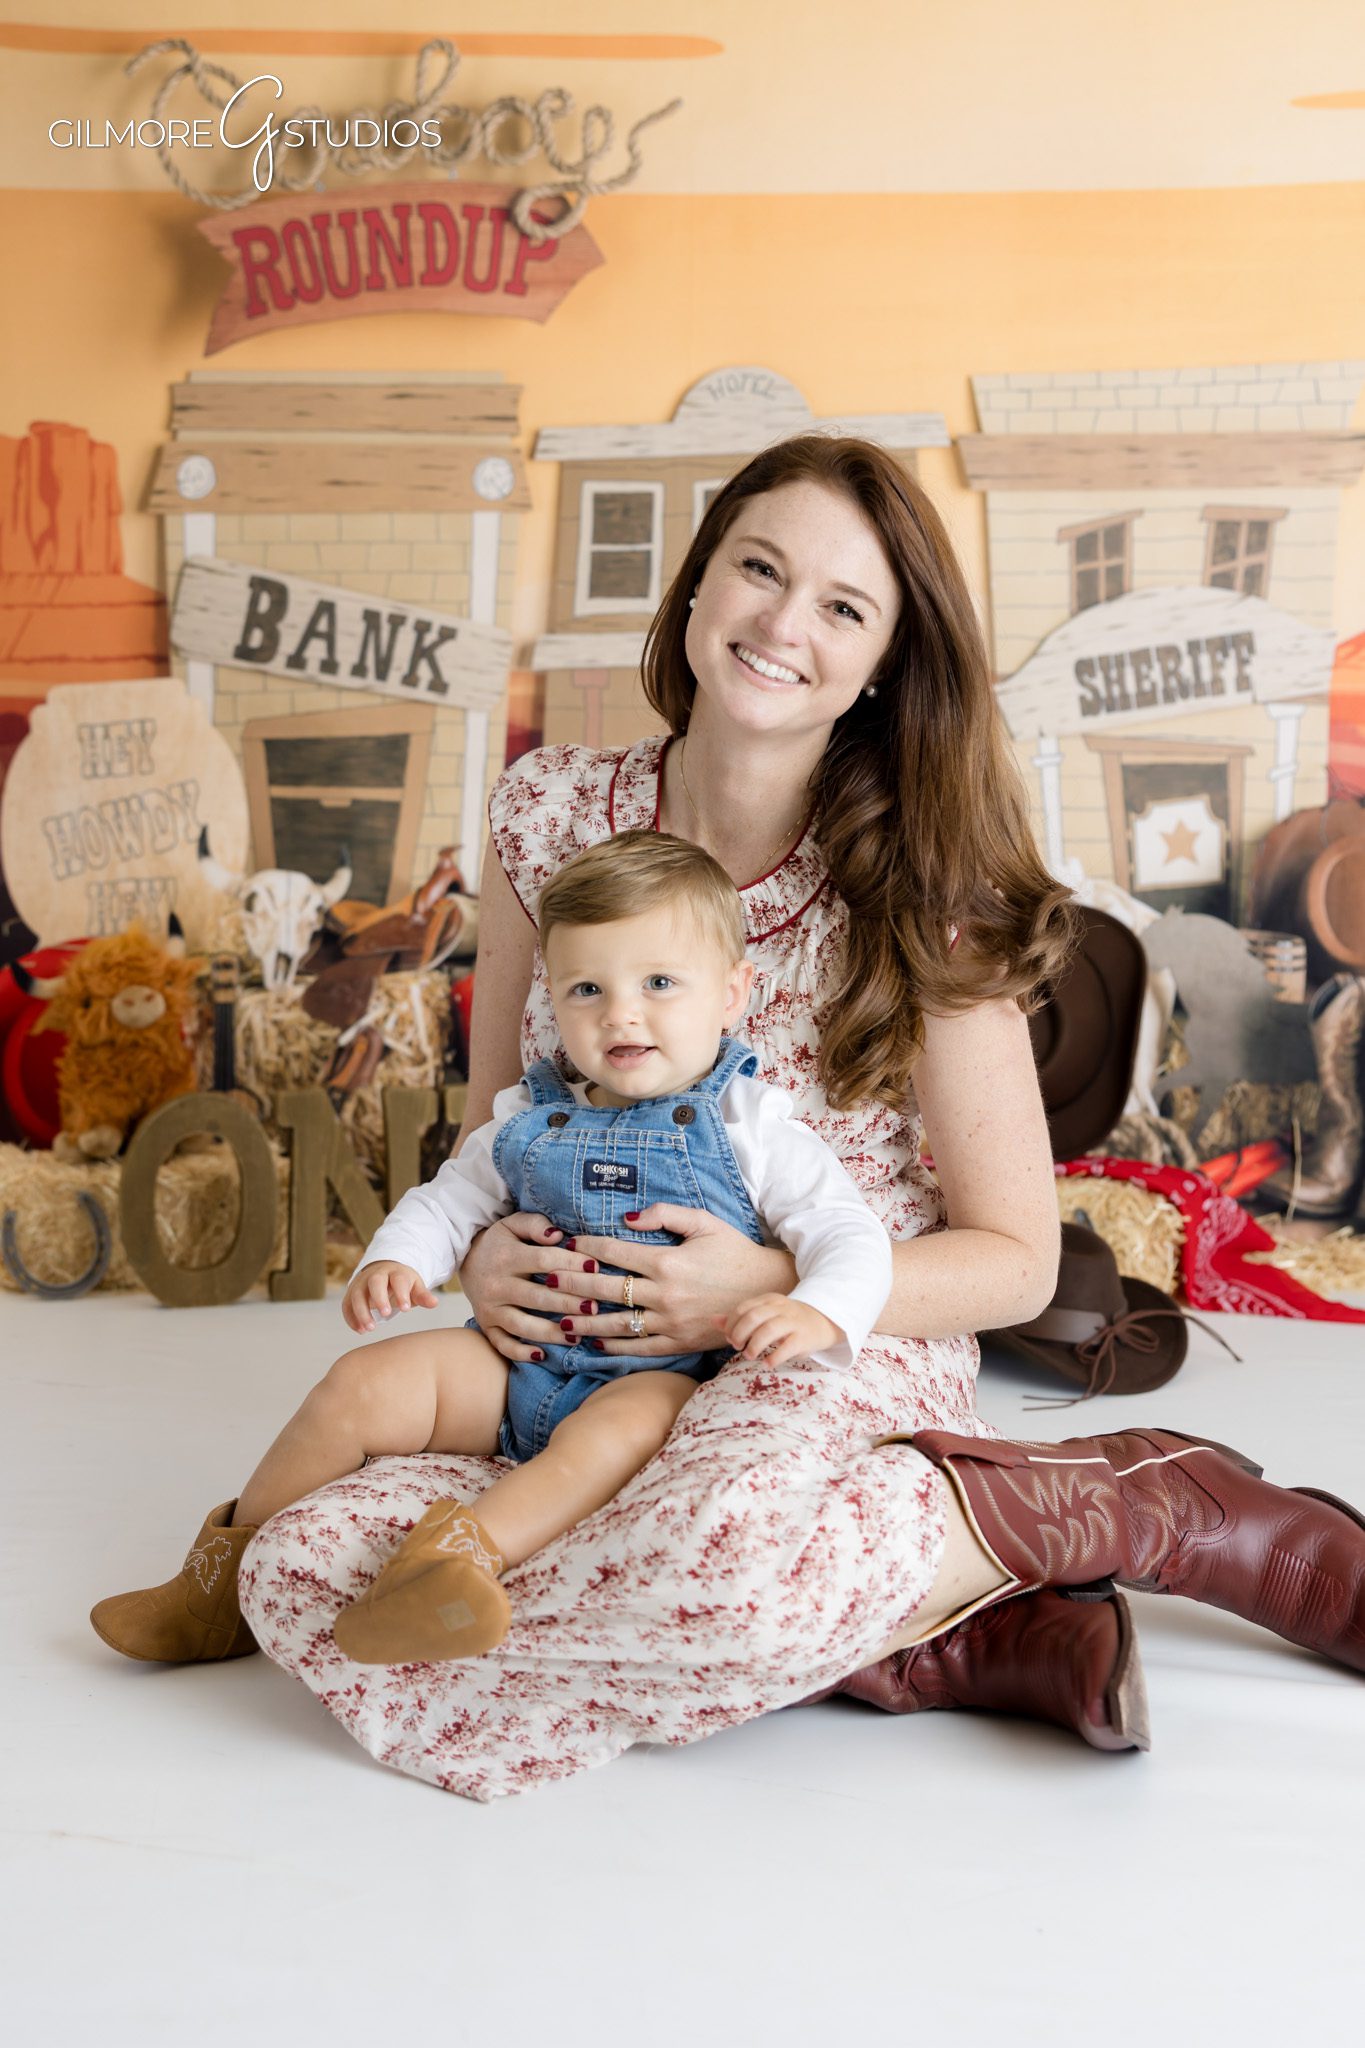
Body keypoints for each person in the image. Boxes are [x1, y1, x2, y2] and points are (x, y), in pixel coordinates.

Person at [227, 433, 1362, 1801]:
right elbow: (492, 1125)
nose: (781, 624)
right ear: (700, 581)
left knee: (720, 1566)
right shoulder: (548, 813)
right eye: (759, 569)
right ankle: (939, 1633)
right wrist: (480, 1253)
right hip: (580, 1361)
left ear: (882, 659)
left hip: (832, 1340)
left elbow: (1013, 1259)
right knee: (293, 1569)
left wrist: (769, 1288)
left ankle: (1138, 1501)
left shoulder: (923, 878)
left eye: (842, 605)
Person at [89, 831, 891, 1668]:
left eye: (658, 983)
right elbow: (449, 1198)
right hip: (512, 1368)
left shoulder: (753, 1127)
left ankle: (446, 1568)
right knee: (358, 1383)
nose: (620, 1013)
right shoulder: (529, 1114)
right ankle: (213, 1587)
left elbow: (849, 1232)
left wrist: (817, 1309)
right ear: (553, 996)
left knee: (621, 1432)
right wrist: (398, 1260)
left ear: (731, 993)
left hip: (654, 1373)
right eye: (588, 988)